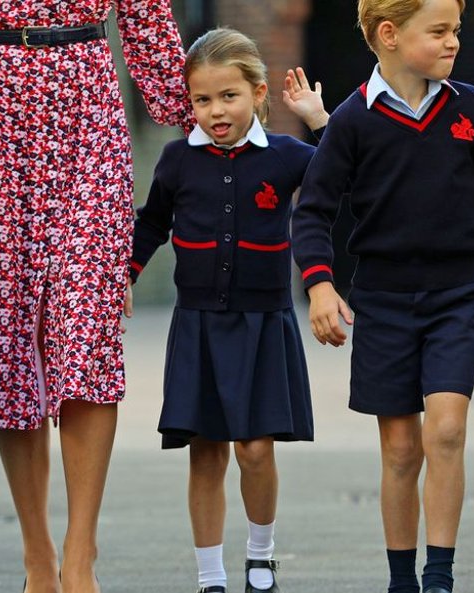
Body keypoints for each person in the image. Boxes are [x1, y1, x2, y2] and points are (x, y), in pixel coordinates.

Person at [0, 1, 191, 591]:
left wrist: (202, 118)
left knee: (87, 335)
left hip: (89, 117)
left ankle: (80, 552)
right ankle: (37, 557)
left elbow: (147, 19)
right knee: (6, 343)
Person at [290, 1, 474, 592]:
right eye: (439, 31)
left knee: (445, 430)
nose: (453, 43)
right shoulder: (351, 121)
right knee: (398, 449)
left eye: (457, 31)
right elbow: (313, 210)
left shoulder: (468, 104)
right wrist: (318, 284)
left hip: (456, 296)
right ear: (389, 35)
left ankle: (438, 575)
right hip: (384, 303)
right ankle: (402, 580)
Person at [124, 28, 329, 593]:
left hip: (264, 323)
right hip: (198, 326)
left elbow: (347, 179)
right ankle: (210, 575)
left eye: (229, 96)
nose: (215, 111)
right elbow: (151, 222)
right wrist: (127, 274)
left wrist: (319, 121)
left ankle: (260, 557)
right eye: (202, 100)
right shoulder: (176, 160)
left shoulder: (287, 157)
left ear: (259, 93)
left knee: (256, 450)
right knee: (206, 452)